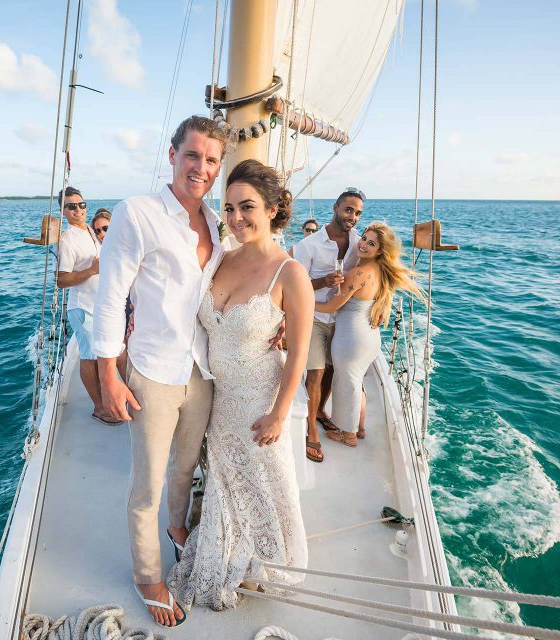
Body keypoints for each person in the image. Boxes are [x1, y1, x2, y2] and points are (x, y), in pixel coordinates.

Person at [92, 115, 228, 628]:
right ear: (172, 154)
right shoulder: (138, 213)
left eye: (211, 160)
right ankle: (147, 575)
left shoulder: (215, 223)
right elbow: (109, 296)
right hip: (152, 368)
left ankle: (177, 528)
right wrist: (109, 375)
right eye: (193, 155)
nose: (201, 167)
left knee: (185, 468)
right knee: (146, 482)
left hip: (201, 368)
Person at [167, 159, 313, 611]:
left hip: (258, 399)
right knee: (224, 480)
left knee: (262, 481)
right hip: (218, 395)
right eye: (228, 208)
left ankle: (266, 557)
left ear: (272, 209)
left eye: (246, 207)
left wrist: (279, 412)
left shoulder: (290, 273)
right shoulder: (221, 259)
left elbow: (300, 355)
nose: (235, 218)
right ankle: (230, 544)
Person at [314, 222, 424, 446]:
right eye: (364, 238)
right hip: (369, 338)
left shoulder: (358, 273)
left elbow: (331, 306)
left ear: (380, 250)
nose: (363, 244)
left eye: (371, 243)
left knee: (347, 385)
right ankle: (359, 428)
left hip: (351, 339)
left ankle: (349, 435)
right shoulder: (381, 271)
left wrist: (302, 300)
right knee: (355, 384)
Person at [290, 187, 363, 462]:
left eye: (357, 213)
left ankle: (320, 411)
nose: (352, 217)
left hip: (343, 318)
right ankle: (310, 430)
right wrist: (323, 282)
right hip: (316, 318)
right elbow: (293, 288)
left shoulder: (358, 242)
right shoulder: (308, 246)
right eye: (348, 210)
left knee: (334, 370)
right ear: (335, 207)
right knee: (315, 374)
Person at [55, 187, 119, 425]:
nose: (78, 210)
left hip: (99, 306)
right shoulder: (68, 239)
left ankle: (107, 397)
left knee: (102, 354)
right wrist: (91, 270)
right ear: (63, 211)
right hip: (83, 309)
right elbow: (61, 279)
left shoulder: (90, 232)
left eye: (81, 205)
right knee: (88, 357)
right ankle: (99, 407)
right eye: (71, 206)